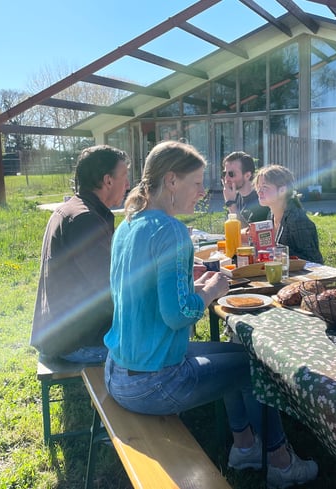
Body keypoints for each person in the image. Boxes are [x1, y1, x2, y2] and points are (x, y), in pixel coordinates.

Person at [104, 141, 318, 488]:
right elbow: (180, 315)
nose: (203, 192)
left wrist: (191, 282)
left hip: (118, 370)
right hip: (153, 382)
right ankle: (280, 463)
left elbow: (145, 291)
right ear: (171, 181)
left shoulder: (128, 225)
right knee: (256, 367)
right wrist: (212, 289)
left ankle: (245, 446)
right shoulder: (171, 230)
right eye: (197, 183)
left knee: (239, 356)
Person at [30, 145, 131, 363]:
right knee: (158, 347)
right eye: (124, 176)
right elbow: (110, 288)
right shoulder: (84, 219)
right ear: (108, 180)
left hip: (65, 335)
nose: (128, 185)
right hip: (79, 343)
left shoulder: (78, 210)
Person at [255, 165, 323, 264]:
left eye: (265, 187)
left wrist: (281, 254)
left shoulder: (297, 220)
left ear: (282, 190)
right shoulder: (271, 214)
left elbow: (314, 261)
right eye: (258, 187)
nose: (259, 191)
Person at [222, 151, 269, 227]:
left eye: (231, 174)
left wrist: (231, 204)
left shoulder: (261, 199)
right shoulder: (235, 197)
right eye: (224, 173)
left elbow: (250, 233)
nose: (226, 178)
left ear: (247, 175)